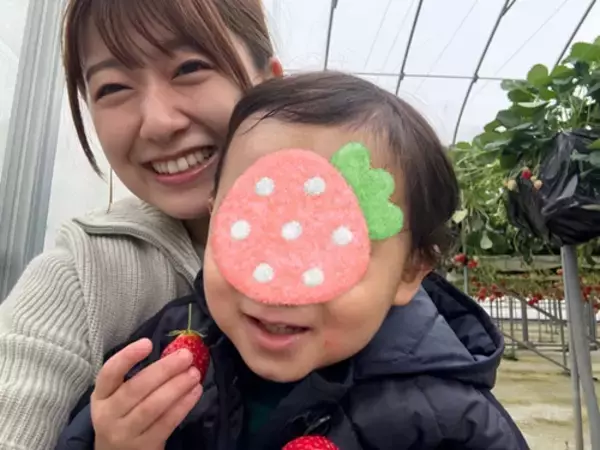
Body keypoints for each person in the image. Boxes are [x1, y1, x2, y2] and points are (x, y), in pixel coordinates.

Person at [56, 72, 529, 450]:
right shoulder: (166, 351)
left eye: (333, 242)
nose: (278, 287)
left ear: (410, 270)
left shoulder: (451, 425)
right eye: (253, 224)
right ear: (216, 216)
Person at [0, 0, 283, 449]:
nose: (157, 123)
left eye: (189, 67)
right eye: (113, 87)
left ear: (269, 83)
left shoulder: (366, 253)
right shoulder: (80, 278)